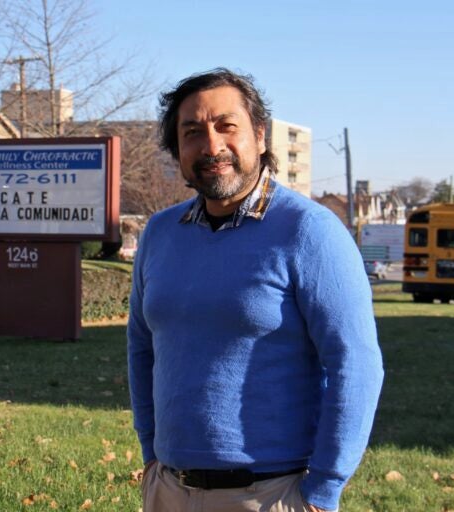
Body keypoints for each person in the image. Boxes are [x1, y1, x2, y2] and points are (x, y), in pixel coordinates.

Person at [127, 68, 384, 512]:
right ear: (178, 149)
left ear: (260, 136)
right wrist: (151, 453)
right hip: (168, 490)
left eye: (227, 126)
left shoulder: (310, 231)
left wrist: (323, 491)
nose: (211, 146)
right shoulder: (159, 233)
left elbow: (356, 365)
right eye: (192, 132)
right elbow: (141, 348)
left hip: (270, 495)